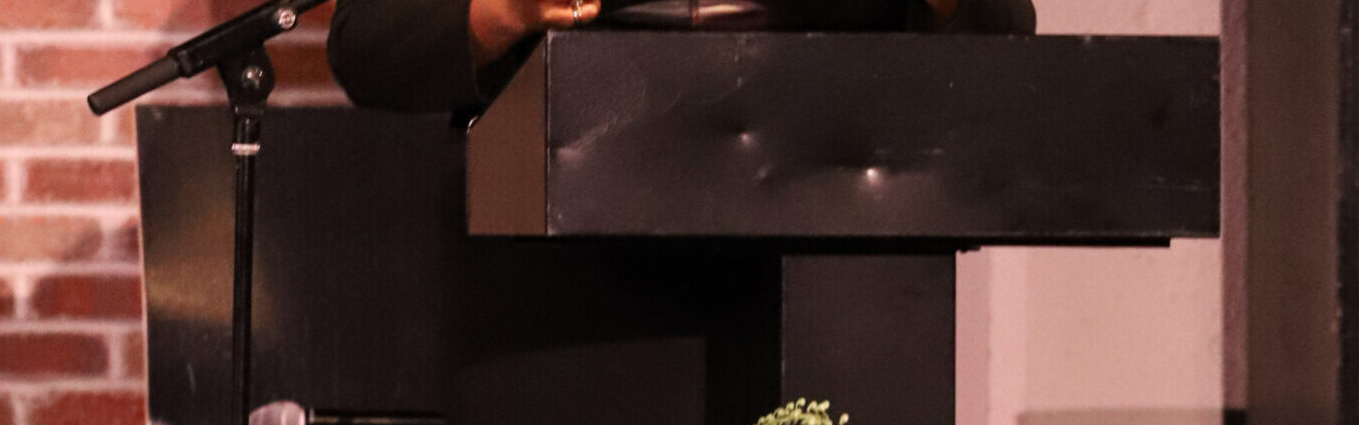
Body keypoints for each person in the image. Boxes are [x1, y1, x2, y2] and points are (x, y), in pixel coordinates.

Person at [328, 0, 1036, 112]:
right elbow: (368, 41)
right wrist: (504, 11)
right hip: (557, 280)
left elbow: (1004, 28)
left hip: (839, 241)